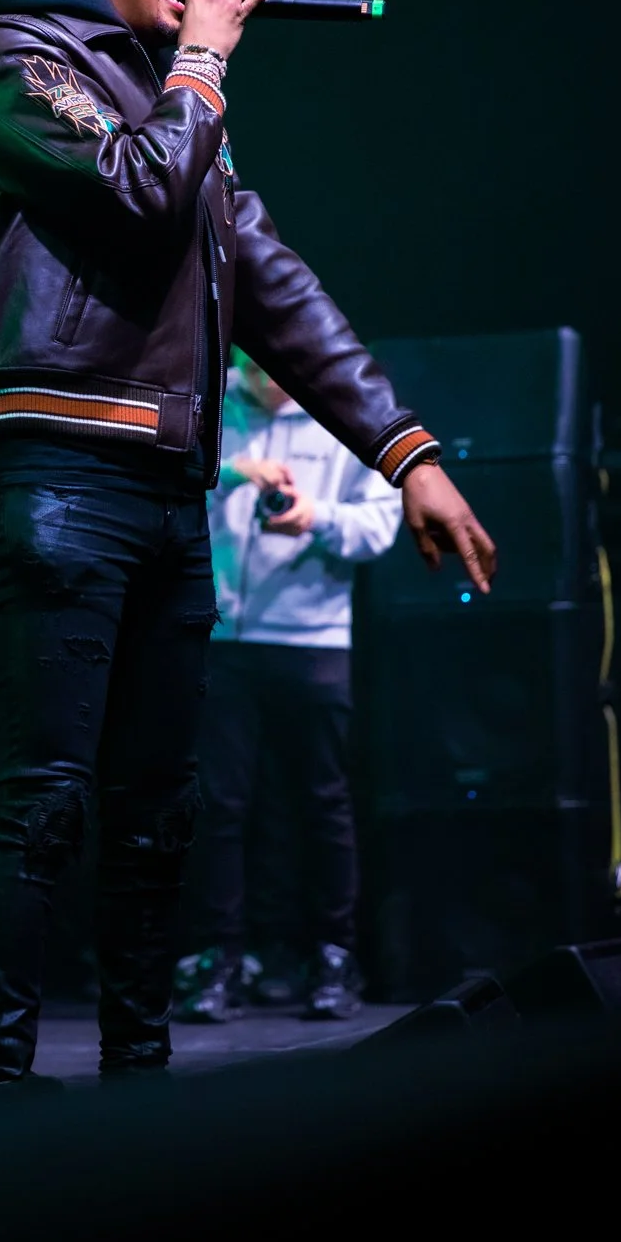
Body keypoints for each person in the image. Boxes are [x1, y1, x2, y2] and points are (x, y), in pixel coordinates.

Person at [0, 0, 496, 1089]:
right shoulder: (14, 58)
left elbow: (274, 288)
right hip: (55, 463)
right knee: (49, 796)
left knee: (159, 808)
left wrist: (407, 453)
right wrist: (203, 62)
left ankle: (140, 1081)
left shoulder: (174, 105)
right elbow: (133, 192)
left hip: (167, 483)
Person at [176, 349, 403, 1026]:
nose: (265, 384)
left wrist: (315, 516)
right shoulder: (208, 407)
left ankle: (333, 954)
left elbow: (380, 524)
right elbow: (160, 483)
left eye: (277, 371)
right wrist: (229, 471)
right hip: (220, 634)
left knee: (321, 802)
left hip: (313, 639)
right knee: (218, 805)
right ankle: (219, 958)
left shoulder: (346, 412)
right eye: (253, 370)